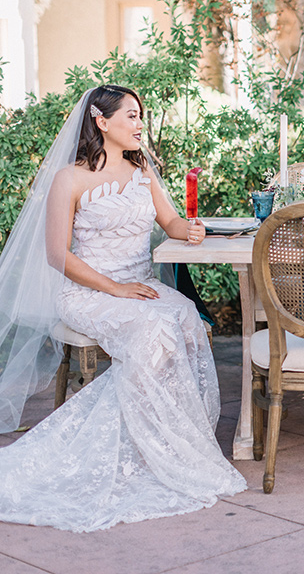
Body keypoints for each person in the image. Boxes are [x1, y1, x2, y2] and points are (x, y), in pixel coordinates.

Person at [0, 85, 246, 532]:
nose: (138, 125)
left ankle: (169, 444)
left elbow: (167, 220)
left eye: (140, 116)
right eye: (131, 116)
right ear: (101, 121)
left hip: (141, 285)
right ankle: (138, 443)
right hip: (89, 290)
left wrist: (188, 229)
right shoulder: (69, 179)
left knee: (186, 319)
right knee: (155, 331)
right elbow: (58, 255)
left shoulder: (142, 168)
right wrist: (114, 287)